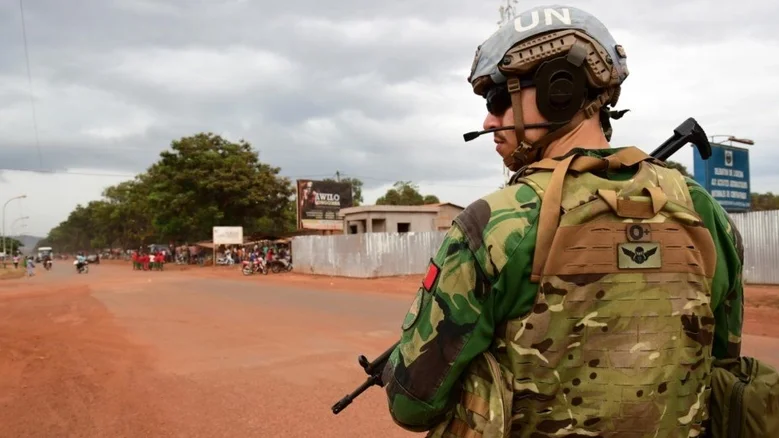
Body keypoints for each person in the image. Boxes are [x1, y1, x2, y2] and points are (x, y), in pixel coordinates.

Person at [381, 5, 744, 437]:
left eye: (499, 99)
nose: (488, 121)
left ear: (561, 90)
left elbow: (413, 404)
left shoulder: (493, 225)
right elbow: (723, 366)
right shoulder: (701, 212)